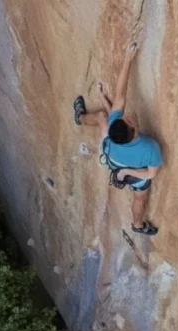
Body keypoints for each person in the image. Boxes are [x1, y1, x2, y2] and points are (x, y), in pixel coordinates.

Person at [72, 42, 163, 236]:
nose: (127, 117)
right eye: (128, 120)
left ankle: (80, 118)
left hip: (113, 159)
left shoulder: (115, 126)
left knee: (101, 117)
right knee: (140, 198)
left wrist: (127, 59)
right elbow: (151, 174)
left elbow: (121, 95)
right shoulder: (150, 148)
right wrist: (127, 172)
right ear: (133, 131)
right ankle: (138, 225)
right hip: (135, 173)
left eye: (124, 119)